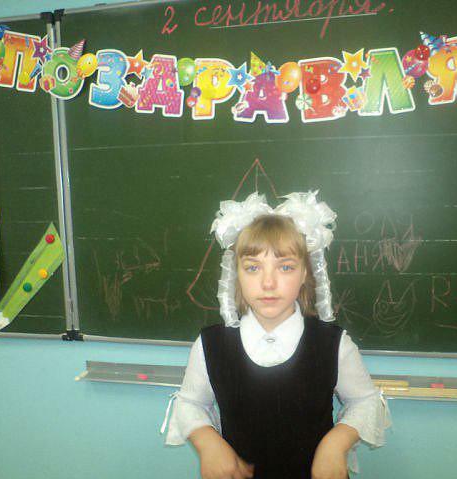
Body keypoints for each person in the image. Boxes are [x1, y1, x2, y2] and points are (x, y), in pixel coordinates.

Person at [162, 191, 390, 479]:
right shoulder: (211, 345)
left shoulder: (332, 344)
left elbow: (366, 401)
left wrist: (337, 442)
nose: (268, 282)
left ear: (305, 273)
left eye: (285, 267)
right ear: (236, 273)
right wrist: (206, 441)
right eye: (253, 267)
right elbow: (190, 402)